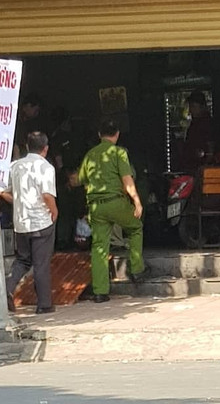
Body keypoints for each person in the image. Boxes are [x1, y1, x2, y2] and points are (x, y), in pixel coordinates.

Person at [79, 119, 147, 304]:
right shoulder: (119, 153)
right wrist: (136, 201)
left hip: (96, 206)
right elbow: (127, 179)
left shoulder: (90, 155)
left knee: (99, 246)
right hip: (116, 202)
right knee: (135, 228)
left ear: (99, 135)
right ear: (117, 134)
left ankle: (100, 292)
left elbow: (82, 181)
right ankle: (137, 270)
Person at [0, 131, 58, 315]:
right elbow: (47, 195)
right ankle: (44, 304)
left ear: (26, 146)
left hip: (21, 222)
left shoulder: (15, 166)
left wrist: (19, 202)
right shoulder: (46, 167)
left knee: (23, 260)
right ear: (46, 149)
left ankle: (7, 289)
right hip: (41, 221)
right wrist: (54, 212)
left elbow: (2, 192)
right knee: (41, 263)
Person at [179, 91, 213, 172]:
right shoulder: (195, 123)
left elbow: (211, 146)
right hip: (192, 166)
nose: (191, 110)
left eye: (194, 106)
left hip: (200, 167)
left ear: (202, 107)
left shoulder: (207, 123)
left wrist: (206, 165)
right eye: (190, 107)